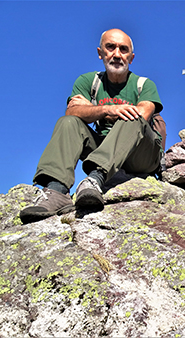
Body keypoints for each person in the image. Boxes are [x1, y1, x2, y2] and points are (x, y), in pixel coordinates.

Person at [20, 28, 164, 224]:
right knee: (68, 122)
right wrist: (107, 110)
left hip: (140, 155)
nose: (116, 54)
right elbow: (71, 112)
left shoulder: (144, 84)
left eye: (123, 49)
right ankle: (56, 190)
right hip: (103, 148)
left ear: (131, 57)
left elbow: (142, 113)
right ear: (100, 52)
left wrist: (90, 108)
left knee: (133, 117)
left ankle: (95, 180)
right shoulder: (89, 81)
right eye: (110, 47)